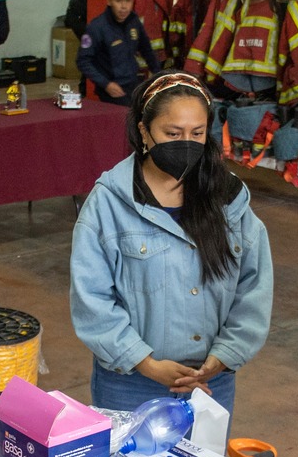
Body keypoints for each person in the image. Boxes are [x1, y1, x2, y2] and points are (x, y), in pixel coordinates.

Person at [70, 72, 273, 412]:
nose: (186, 144)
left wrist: (225, 355)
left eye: (197, 133)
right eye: (173, 133)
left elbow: (254, 286)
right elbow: (92, 298)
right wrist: (145, 363)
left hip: (211, 383)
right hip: (130, 384)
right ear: (144, 131)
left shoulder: (228, 198)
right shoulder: (109, 203)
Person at [78, 0, 161, 104]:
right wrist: (106, 84)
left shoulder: (134, 21)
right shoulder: (96, 27)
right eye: (119, 1)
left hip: (133, 86)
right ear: (109, 1)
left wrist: (159, 74)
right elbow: (83, 61)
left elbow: (146, 49)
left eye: (128, 1)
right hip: (111, 92)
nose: (124, 7)